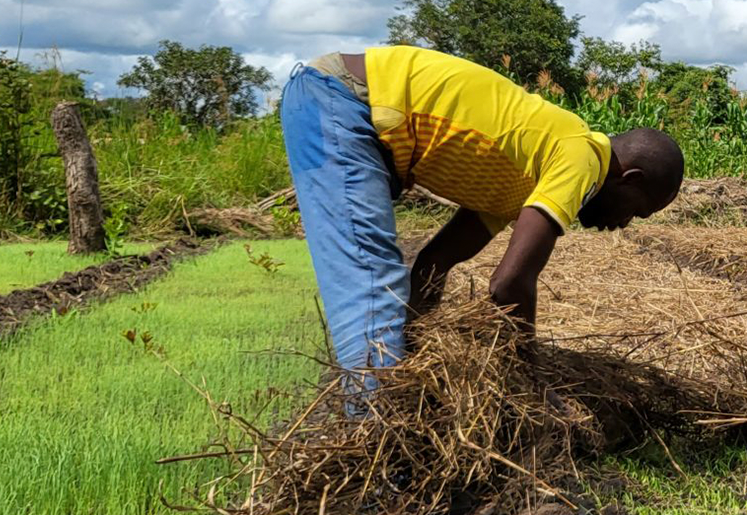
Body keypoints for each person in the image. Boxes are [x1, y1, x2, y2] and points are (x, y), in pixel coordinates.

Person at [280, 46, 684, 413]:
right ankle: (376, 455)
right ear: (630, 178)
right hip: (344, 100)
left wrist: (420, 350)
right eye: (638, 212)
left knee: (378, 287)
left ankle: (387, 409)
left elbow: (434, 262)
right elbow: (508, 283)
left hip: (339, 103)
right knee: (371, 283)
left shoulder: (522, 172)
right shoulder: (582, 155)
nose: (624, 225)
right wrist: (533, 380)